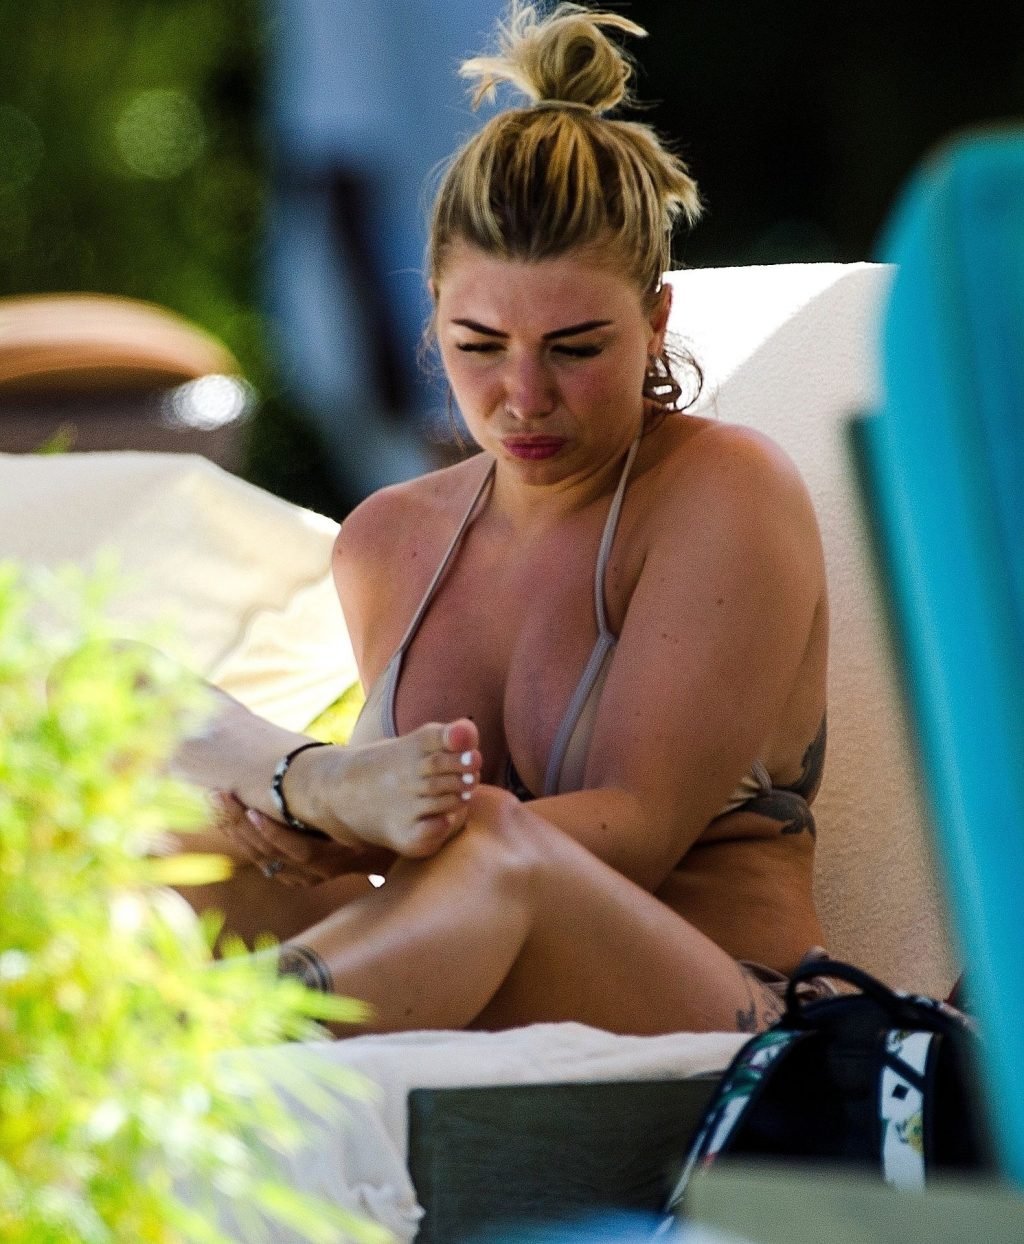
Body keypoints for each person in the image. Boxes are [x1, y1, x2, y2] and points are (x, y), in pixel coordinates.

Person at [173, 1, 830, 1037]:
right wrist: (306, 816)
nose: (524, 397)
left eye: (575, 348)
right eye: (479, 346)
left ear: (656, 318)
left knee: (496, 843)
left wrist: (360, 823)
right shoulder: (387, 540)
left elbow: (635, 831)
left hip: (725, 1013)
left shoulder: (723, 489)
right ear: (432, 314)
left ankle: (207, 1047)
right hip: (476, 987)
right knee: (172, 819)